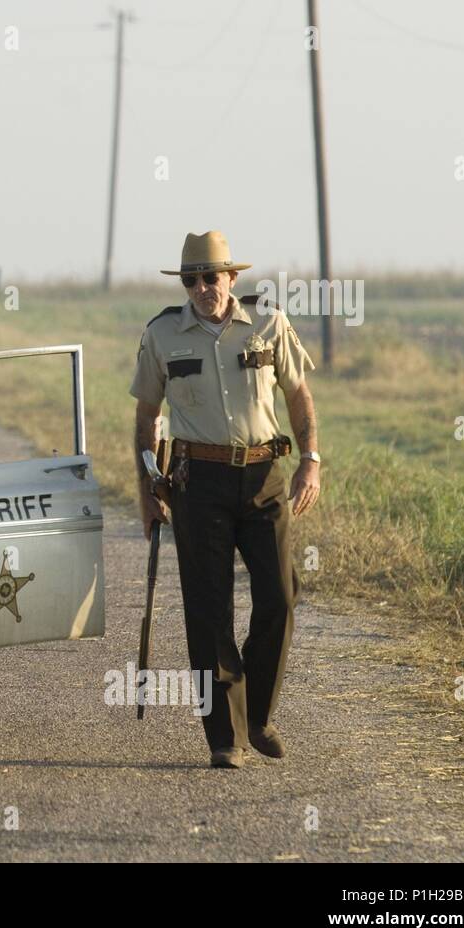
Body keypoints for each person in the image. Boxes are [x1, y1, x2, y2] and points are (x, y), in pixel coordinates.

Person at [128, 231, 321, 768]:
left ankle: (257, 714)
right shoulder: (163, 334)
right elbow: (147, 417)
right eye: (190, 279)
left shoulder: (268, 324)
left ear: (232, 278)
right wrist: (148, 491)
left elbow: (298, 394)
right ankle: (225, 738)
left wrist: (311, 460)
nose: (200, 288)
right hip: (198, 483)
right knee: (209, 611)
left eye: (210, 277)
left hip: (265, 479)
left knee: (279, 596)